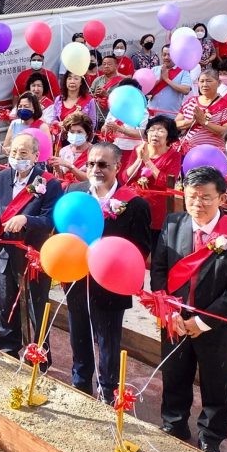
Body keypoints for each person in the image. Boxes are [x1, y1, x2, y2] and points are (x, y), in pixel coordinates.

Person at [150, 166, 227, 452]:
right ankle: (174, 422)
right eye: (192, 196)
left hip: (218, 325)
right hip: (175, 320)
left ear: (222, 198)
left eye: (206, 198)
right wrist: (169, 309)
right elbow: (159, 270)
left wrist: (201, 321)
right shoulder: (172, 224)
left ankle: (210, 436)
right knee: (174, 374)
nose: (198, 203)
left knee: (217, 383)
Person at [65, 143, 151, 402]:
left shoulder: (134, 204)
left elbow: (141, 248)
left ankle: (108, 390)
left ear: (118, 166)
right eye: (91, 163)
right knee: (78, 334)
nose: (95, 169)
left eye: (103, 164)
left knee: (108, 341)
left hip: (111, 285)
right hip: (77, 280)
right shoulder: (74, 191)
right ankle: (80, 384)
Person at [0, 133, 63, 362]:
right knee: (5, 299)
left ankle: (39, 355)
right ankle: (8, 347)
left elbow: (50, 220)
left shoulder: (49, 183)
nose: (17, 157)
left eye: (23, 153)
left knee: (36, 305)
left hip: (34, 253)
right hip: (5, 250)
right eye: (13, 152)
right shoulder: (2, 177)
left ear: (35, 155)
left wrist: (26, 219)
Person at [124, 116, 183, 246]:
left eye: (160, 130)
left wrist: (147, 161)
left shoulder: (174, 155)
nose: (155, 133)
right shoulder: (139, 149)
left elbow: (168, 182)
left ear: (169, 136)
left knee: (154, 244)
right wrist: (139, 159)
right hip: (136, 203)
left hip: (157, 207)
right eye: (152, 130)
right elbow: (125, 178)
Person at [176, 69, 227, 152]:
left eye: (209, 81)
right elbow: (175, 124)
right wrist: (193, 121)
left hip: (212, 153)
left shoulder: (226, 105)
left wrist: (204, 122)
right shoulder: (191, 101)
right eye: (202, 81)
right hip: (186, 152)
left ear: (219, 83)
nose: (204, 84)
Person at [49, 112, 92, 186]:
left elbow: (91, 179)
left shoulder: (95, 152)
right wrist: (57, 168)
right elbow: (61, 178)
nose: (75, 135)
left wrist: (70, 166)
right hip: (65, 191)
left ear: (87, 134)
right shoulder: (64, 151)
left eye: (79, 132)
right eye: (72, 132)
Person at [149, 45, 192, 115]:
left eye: (170, 55)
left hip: (171, 115)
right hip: (152, 114)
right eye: (164, 54)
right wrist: (159, 80)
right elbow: (146, 90)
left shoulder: (183, 71)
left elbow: (186, 90)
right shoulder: (154, 70)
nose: (166, 57)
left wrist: (166, 79)